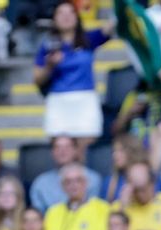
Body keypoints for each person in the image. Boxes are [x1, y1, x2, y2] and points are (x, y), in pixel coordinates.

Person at [34, 1, 111, 144]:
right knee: (61, 149)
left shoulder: (88, 39)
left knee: (86, 150)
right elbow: (37, 79)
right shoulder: (47, 45)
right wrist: (50, 66)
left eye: (70, 12)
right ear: (54, 19)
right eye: (61, 13)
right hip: (59, 100)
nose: (66, 17)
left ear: (77, 16)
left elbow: (110, 28)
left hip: (85, 98)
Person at [44, 164, 111, 230]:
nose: (73, 185)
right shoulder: (53, 212)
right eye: (68, 182)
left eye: (78, 180)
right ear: (62, 187)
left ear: (86, 183)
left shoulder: (103, 208)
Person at [29, 136, 103, 212]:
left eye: (67, 147)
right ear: (52, 152)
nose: (62, 151)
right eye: (58, 147)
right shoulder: (40, 183)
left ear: (75, 150)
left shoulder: (93, 178)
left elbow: (95, 211)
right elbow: (37, 216)